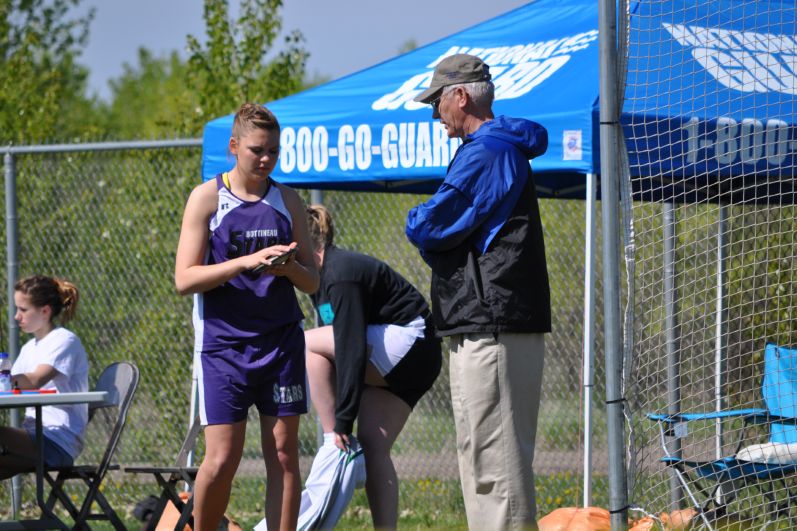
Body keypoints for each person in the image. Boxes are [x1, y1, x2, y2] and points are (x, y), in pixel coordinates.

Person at [405, 53, 551, 530]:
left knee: (496, 470)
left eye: (437, 102)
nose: (434, 113)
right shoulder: (494, 148)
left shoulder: (486, 152)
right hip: (491, 324)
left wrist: (416, 221)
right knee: (486, 463)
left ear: (460, 96)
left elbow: (432, 223)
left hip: (493, 326)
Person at [174, 102, 319, 531]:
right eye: (257, 150)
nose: (266, 159)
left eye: (273, 151)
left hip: (281, 343)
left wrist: (289, 267)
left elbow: (311, 282)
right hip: (224, 347)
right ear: (234, 147)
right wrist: (245, 262)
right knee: (221, 459)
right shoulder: (207, 197)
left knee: (282, 453)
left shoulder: (287, 199)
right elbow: (185, 279)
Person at [303, 204, 442, 529]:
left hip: (411, 341)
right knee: (374, 446)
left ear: (305, 245)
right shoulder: (318, 280)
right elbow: (349, 347)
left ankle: (331, 442)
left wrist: (341, 421)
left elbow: (350, 348)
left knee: (304, 342)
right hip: (416, 358)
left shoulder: (339, 274)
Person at [0, 275, 89, 479]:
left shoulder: (65, 341)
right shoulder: (29, 348)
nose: (16, 316)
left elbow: (33, 380)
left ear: (45, 311)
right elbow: (10, 385)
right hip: (33, 438)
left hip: (56, 441)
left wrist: (6, 379)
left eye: (23, 310)